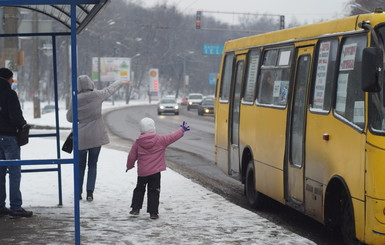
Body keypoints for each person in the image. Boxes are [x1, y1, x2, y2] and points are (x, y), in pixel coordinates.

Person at [66, 75, 129, 201]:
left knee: (80, 166)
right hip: (96, 136)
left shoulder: (75, 99)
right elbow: (110, 89)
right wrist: (119, 81)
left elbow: (69, 118)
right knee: (93, 165)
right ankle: (90, 193)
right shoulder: (98, 95)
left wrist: (80, 117)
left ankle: (78, 193)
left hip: (81, 137)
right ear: (90, 84)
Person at [126, 117, 190, 219]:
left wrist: (129, 166)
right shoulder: (160, 140)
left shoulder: (138, 142)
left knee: (139, 189)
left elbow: (131, 156)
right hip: (155, 172)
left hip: (142, 172)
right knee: (154, 191)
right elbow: (172, 137)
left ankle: (135, 209)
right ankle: (153, 213)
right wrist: (182, 130)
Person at [0, 67, 33, 217]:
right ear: (7, 78)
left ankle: (0, 206)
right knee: (14, 172)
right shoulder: (9, 94)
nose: (12, 81)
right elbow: (16, 116)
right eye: (11, 78)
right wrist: (22, 125)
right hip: (8, 137)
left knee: (0, 173)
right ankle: (16, 207)